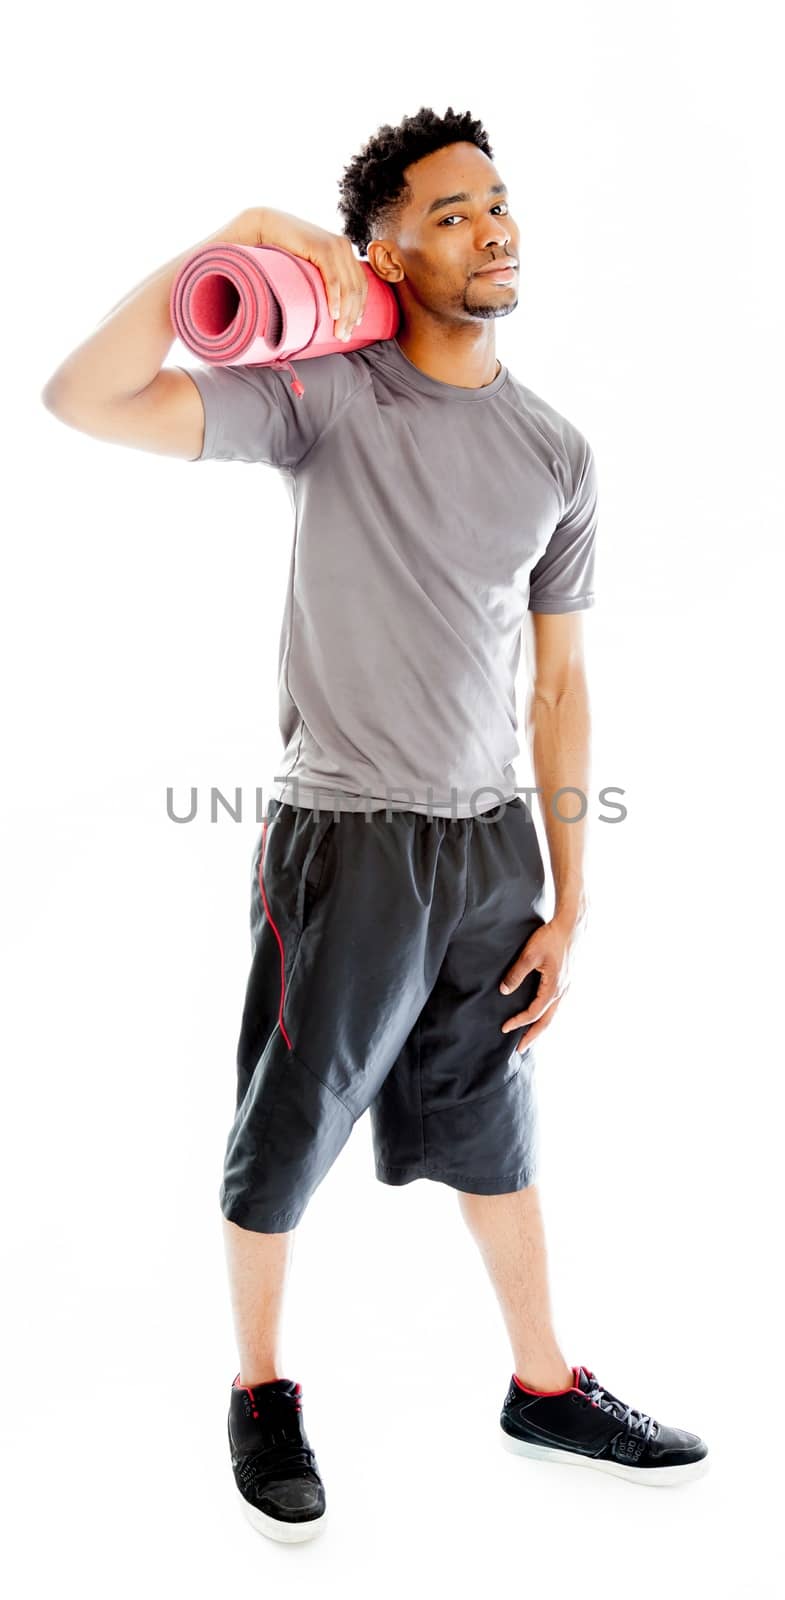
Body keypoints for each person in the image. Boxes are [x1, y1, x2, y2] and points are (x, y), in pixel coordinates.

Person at [41, 103, 708, 1542]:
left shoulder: (555, 450)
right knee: (286, 1130)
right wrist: (226, 246)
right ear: (385, 250)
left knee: (493, 1119)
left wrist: (570, 899)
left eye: (498, 201)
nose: (493, 227)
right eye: (453, 212)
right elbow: (80, 400)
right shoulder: (323, 399)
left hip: (488, 855)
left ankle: (543, 1385)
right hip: (342, 841)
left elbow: (561, 685)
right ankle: (262, 1393)